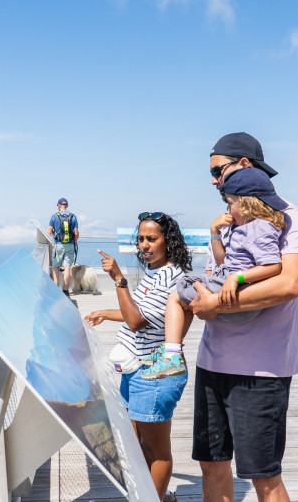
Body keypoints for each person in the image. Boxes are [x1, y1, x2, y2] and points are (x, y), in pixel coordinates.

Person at [188, 132, 298, 502]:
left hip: (262, 370)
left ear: (243, 164)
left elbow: (289, 283)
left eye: (217, 170)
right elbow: (219, 275)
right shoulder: (228, 220)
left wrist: (216, 306)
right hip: (212, 363)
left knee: (264, 476)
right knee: (212, 465)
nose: (212, 179)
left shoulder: (285, 214)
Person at [83, 212, 192, 501]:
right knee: (136, 443)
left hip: (154, 372)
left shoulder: (171, 277)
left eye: (151, 239)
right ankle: (156, 495)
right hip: (137, 371)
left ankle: (154, 497)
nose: (144, 245)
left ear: (168, 242)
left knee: (157, 451)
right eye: (141, 239)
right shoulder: (155, 273)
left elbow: (137, 322)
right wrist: (105, 314)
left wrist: (119, 279)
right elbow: (138, 314)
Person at [141, 167, 287, 380]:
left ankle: (171, 354)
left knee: (176, 295)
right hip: (227, 280)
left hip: (236, 288)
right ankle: (171, 351)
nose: (227, 209)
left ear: (246, 205)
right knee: (183, 295)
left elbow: (273, 266)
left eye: (229, 203)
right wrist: (215, 233)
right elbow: (222, 262)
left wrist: (236, 278)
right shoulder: (243, 228)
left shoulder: (260, 228)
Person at [48, 197, 79, 296]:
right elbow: (76, 233)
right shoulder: (73, 216)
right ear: (67, 206)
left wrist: (55, 236)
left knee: (56, 267)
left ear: (59, 205)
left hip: (58, 245)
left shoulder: (54, 216)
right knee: (67, 268)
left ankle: (56, 289)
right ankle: (65, 290)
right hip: (70, 244)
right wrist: (75, 242)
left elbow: (49, 231)